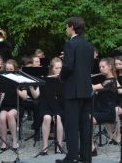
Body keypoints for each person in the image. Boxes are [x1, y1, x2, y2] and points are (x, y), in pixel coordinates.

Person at [56, 16, 94, 163]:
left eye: (67, 26)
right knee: (85, 124)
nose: (66, 29)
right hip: (86, 89)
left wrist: (61, 77)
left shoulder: (70, 44)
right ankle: (86, 156)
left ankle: (72, 156)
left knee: (72, 124)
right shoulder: (88, 45)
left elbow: (69, 66)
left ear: (71, 26)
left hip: (73, 90)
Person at [92, 58, 122, 150]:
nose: (101, 69)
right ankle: (91, 146)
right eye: (100, 67)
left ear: (109, 67)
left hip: (107, 112)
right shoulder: (111, 80)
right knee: (85, 117)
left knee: (87, 119)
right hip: (102, 110)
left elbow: (92, 87)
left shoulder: (109, 81)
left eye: (103, 66)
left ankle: (91, 147)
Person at [0, 59, 27, 151]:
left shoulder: (20, 79)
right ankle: (4, 142)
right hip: (6, 104)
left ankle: (15, 141)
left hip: (17, 105)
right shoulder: (3, 79)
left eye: (11, 69)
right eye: (7, 69)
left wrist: (16, 88)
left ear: (15, 69)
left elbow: (24, 96)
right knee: (2, 117)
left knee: (10, 115)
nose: (9, 71)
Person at [40, 57, 64, 155]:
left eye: (60, 68)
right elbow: (36, 95)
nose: (59, 70)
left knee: (57, 118)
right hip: (47, 105)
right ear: (52, 69)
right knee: (46, 118)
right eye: (56, 68)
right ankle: (45, 146)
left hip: (60, 106)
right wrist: (32, 86)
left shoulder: (64, 80)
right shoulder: (45, 80)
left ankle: (59, 146)